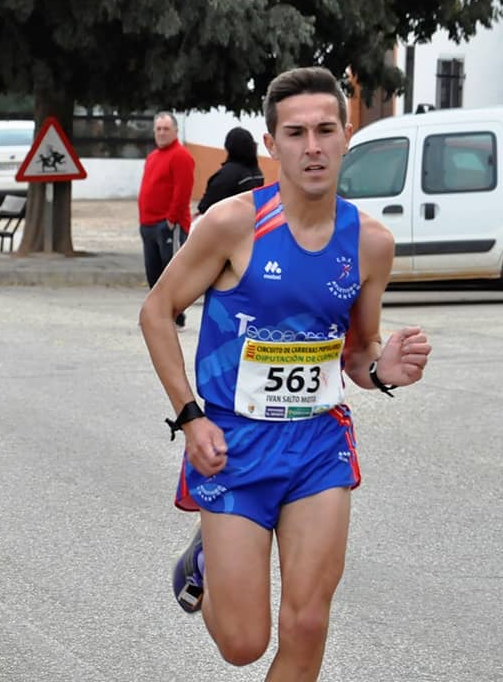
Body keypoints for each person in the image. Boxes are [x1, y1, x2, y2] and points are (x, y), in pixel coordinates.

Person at [139, 67, 431, 679]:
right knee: (244, 643)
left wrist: (382, 369)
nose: (313, 146)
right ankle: (203, 566)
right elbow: (157, 312)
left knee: (307, 623)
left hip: (318, 443)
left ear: (347, 136)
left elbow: (358, 351)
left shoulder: (370, 242)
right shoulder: (233, 224)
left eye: (326, 130)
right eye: (296, 133)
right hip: (232, 444)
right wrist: (190, 418)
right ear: (273, 144)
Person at [138, 111, 194, 328]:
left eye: (166, 129)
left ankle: (175, 317)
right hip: (148, 223)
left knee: (170, 273)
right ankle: (158, 315)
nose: (161, 133)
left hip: (168, 225)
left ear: (175, 131)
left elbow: (183, 190)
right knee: (153, 272)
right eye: (158, 129)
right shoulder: (153, 156)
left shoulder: (181, 156)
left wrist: (171, 219)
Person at [196, 126, 265, 216]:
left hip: (228, 222)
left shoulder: (227, 174)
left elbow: (205, 206)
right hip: (250, 220)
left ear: (228, 147)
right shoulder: (257, 173)